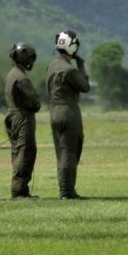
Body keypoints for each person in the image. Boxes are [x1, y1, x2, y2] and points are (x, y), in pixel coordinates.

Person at [45, 29, 90, 200]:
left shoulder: (51, 66)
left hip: (54, 111)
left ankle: (65, 189)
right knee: (70, 151)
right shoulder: (68, 70)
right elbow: (85, 86)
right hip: (68, 112)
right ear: (72, 47)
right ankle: (67, 191)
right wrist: (81, 65)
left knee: (61, 152)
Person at [3, 42, 41, 199]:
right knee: (25, 152)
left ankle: (21, 189)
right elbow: (35, 103)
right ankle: (19, 190)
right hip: (22, 117)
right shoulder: (22, 78)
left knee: (17, 152)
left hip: (12, 115)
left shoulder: (12, 74)